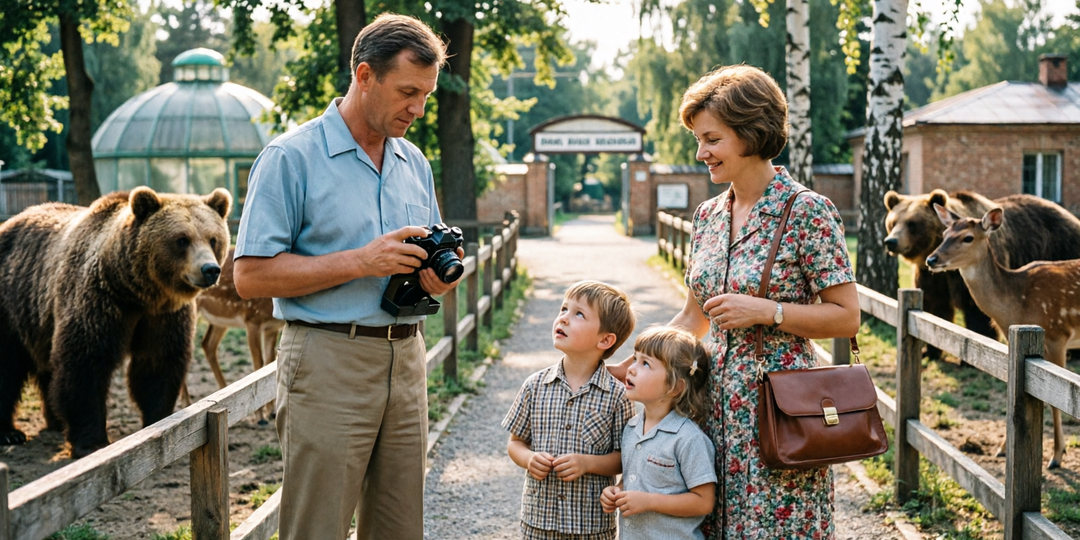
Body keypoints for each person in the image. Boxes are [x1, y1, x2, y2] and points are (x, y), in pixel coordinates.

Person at [232, 14, 457, 540]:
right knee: (318, 528)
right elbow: (249, 277)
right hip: (326, 361)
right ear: (364, 76)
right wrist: (360, 261)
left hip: (407, 359)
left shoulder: (414, 162)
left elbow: (416, 256)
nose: (418, 109)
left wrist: (432, 281)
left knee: (400, 529)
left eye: (426, 95)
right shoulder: (290, 157)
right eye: (407, 92)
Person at [612, 65, 860, 539]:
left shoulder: (806, 210)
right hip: (707, 410)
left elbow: (847, 317)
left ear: (751, 133)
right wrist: (639, 362)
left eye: (712, 139)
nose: (701, 153)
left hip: (778, 415)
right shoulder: (707, 215)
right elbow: (692, 316)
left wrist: (769, 311)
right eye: (698, 140)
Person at [502, 280, 637, 540]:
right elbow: (515, 443)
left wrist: (587, 463)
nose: (563, 318)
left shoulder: (617, 396)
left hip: (590, 527)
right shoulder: (535, 386)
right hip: (538, 521)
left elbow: (625, 459)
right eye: (563, 309)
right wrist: (529, 459)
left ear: (605, 340)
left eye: (578, 314)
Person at [600, 326, 717, 540]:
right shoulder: (632, 428)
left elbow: (703, 501)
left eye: (645, 364)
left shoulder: (688, 438)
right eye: (635, 359)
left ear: (675, 387)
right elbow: (636, 477)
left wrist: (649, 501)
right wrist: (618, 491)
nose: (632, 369)